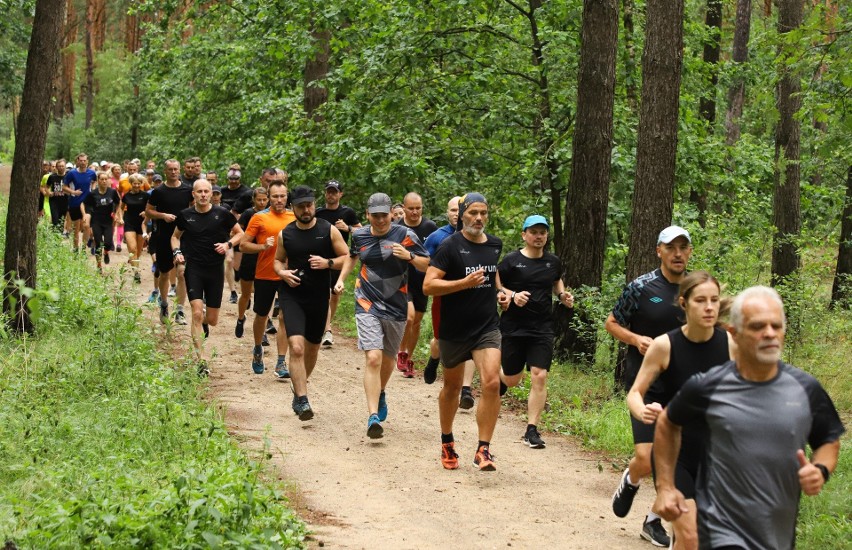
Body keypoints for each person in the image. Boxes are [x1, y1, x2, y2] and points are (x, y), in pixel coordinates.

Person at [653, 286, 844, 550]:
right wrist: (665, 487)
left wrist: (820, 470)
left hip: (776, 535)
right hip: (719, 530)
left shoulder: (805, 389)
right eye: (757, 327)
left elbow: (828, 439)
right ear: (735, 333)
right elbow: (667, 422)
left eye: (776, 326)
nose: (769, 334)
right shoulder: (708, 386)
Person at [626, 271, 735, 548]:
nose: (709, 307)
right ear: (684, 304)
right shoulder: (665, 345)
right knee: (690, 534)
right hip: (676, 453)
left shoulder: (731, 345)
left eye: (714, 300)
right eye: (700, 300)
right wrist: (642, 412)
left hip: (717, 454)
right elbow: (635, 393)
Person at [607, 225, 693, 547]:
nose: (678, 254)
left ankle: (654, 520)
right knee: (648, 458)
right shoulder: (640, 287)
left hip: (684, 387)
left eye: (684, 248)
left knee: (679, 460)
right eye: (671, 248)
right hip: (645, 386)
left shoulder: (695, 288)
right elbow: (611, 322)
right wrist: (635, 339)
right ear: (659, 251)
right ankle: (631, 480)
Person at [334, 193, 429, 438]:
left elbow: (427, 263)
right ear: (368, 215)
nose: (380, 220)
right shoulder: (359, 235)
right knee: (374, 358)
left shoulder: (405, 235)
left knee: (388, 360)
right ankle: (373, 416)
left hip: (396, 305)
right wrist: (341, 279)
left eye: (384, 215)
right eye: (375, 216)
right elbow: (353, 256)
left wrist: (409, 256)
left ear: (391, 214)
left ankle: (381, 390)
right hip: (367, 301)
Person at [423, 192, 503, 471]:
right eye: (473, 213)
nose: (478, 218)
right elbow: (429, 286)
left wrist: (503, 293)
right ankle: (447, 441)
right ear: (462, 214)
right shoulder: (449, 246)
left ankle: (484, 449)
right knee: (452, 387)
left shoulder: (494, 244)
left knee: (492, 382)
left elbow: (493, 277)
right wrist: (463, 283)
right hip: (454, 328)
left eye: (483, 213)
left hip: (487, 326)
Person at [497, 215, 574, 449]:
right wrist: (512, 295)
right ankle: (501, 380)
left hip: (542, 327)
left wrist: (562, 295)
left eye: (542, 232)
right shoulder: (511, 261)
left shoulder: (553, 262)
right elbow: (496, 283)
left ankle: (532, 429)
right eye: (534, 232)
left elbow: (557, 280)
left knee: (539, 375)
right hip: (514, 326)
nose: (538, 236)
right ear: (524, 235)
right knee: (512, 379)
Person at [273, 186, 349, 420]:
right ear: (293, 208)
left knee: (312, 348)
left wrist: (327, 263)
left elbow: (346, 257)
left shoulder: (328, 230)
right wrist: (283, 274)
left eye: (309, 205)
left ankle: (299, 389)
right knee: (296, 347)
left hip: (318, 296)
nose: (306, 210)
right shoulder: (285, 234)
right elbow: (277, 261)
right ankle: (304, 400)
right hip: (292, 294)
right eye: (301, 206)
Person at [172, 179, 244, 376]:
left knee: (211, 320)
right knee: (196, 312)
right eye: (199, 192)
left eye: (207, 191)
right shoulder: (185, 216)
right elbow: (175, 236)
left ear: (211, 194)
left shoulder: (222, 214)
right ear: (193, 194)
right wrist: (176, 252)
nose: (203, 195)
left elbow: (240, 234)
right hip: (193, 267)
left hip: (214, 269)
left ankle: (204, 321)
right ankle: (201, 360)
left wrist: (227, 245)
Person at [421, 196, 478, 409]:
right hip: (444, 298)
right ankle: (434, 359)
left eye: (459, 210)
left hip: (472, 299)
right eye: (452, 210)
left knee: (472, 342)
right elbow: (425, 265)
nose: (456, 213)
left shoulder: (479, 238)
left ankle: (466, 390)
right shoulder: (438, 238)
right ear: (448, 213)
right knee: (439, 341)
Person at [240, 178, 296, 377]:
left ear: (287, 196)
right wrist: (263, 246)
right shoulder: (259, 217)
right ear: (269, 198)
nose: (279, 200)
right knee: (262, 316)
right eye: (275, 196)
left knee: (284, 318)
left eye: (282, 196)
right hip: (265, 274)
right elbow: (243, 245)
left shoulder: (294, 216)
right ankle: (257, 349)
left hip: (288, 274)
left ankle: (281, 362)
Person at [145, 159, 194, 325]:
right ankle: (164, 304)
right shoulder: (159, 191)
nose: (173, 172)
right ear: (165, 171)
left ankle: (180, 309)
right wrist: (163, 216)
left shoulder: (187, 190)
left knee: (182, 272)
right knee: (165, 273)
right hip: (164, 237)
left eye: (176, 169)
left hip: (183, 237)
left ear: (179, 170)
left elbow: (194, 209)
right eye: (170, 169)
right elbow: (148, 212)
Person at [396, 192, 438, 378]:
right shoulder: (396, 228)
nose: (414, 212)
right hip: (401, 280)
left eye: (418, 208)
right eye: (411, 208)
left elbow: (435, 256)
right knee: (409, 317)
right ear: (403, 208)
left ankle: (409, 358)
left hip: (422, 280)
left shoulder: (430, 227)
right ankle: (401, 351)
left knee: (417, 321)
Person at [315, 179, 361, 347]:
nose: (331, 194)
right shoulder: (318, 212)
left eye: (334, 191)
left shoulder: (348, 213)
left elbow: (362, 231)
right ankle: (327, 330)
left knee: (334, 296)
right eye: (329, 191)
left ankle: (327, 326)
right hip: (321, 259)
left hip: (341, 260)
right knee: (324, 296)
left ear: (340, 194)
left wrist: (347, 228)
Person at [235, 188, 269, 338]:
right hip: (250, 257)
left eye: (264, 199)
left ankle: (264, 327)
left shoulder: (271, 214)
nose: (262, 202)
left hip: (266, 258)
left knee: (263, 295)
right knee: (246, 294)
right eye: (259, 200)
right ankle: (241, 318)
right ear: (253, 200)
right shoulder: (249, 214)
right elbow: (236, 232)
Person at [81, 171, 121, 271]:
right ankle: (99, 265)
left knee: (108, 243)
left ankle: (106, 252)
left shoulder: (112, 192)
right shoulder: (93, 193)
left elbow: (118, 202)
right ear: (98, 181)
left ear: (108, 180)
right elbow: (83, 203)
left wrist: (116, 214)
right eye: (101, 179)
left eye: (105, 179)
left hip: (108, 222)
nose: (104, 181)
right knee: (98, 244)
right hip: (96, 221)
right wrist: (84, 215)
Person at [63, 153, 97, 252]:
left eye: (84, 160)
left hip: (87, 203)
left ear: (87, 161)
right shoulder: (72, 173)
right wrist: (73, 192)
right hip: (74, 202)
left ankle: (83, 247)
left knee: (86, 226)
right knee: (76, 228)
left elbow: (94, 181)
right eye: (80, 160)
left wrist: (93, 189)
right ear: (77, 161)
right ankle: (75, 248)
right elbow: (64, 187)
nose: (82, 162)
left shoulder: (91, 173)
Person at [121, 173, 150, 283]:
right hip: (129, 223)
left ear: (142, 184)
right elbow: (121, 207)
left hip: (142, 224)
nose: (137, 186)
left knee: (138, 250)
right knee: (132, 249)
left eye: (139, 184)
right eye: (134, 184)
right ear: (131, 184)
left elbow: (151, 207)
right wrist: (120, 217)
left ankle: (134, 262)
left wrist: (146, 211)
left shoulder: (146, 195)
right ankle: (136, 272)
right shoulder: (126, 196)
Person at [45, 159, 68, 231]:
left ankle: (58, 238)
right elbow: (47, 187)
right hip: (54, 202)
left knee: (62, 221)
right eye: (59, 166)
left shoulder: (68, 176)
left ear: (65, 167)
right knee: (55, 220)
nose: (61, 167)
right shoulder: (52, 176)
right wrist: (49, 193)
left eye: (62, 166)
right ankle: (54, 234)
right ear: (56, 167)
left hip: (65, 202)